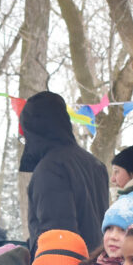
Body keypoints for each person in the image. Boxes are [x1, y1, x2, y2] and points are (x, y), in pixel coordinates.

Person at [19, 91, 110, 253]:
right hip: (96, 263)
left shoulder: (50, 169)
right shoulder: (95, 164)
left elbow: (57, 237)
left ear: (33, 131)